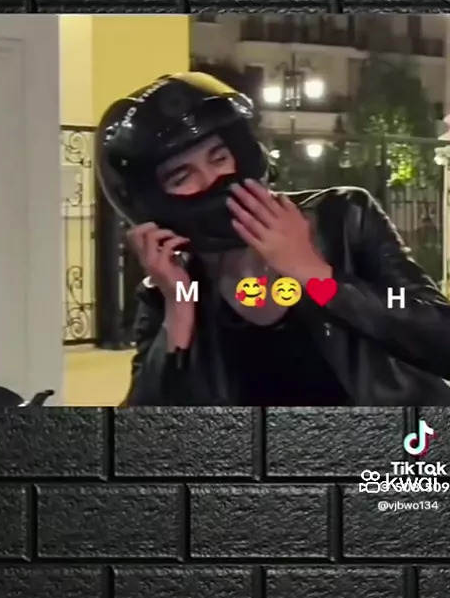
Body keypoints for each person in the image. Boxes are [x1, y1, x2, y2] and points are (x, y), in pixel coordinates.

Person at [95, 71, 450, 406]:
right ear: (155, 201)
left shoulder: (343, 219)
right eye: (182, 177)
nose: (215, 181)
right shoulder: (169, 288)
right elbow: (141, 433)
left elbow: (439, 334)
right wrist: (179, 310)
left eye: (219, 158)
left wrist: (316, 277)